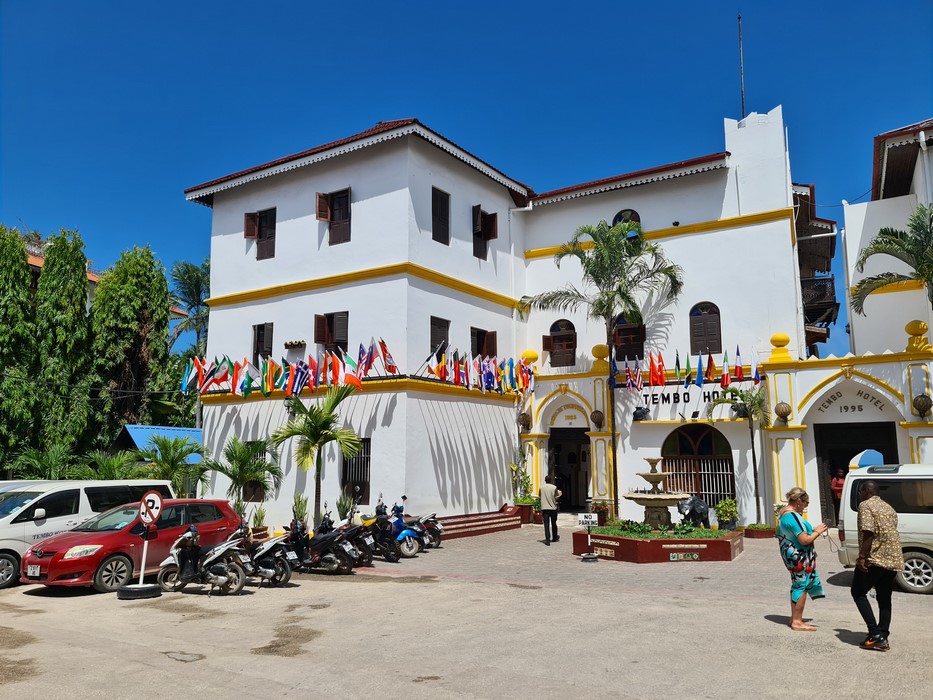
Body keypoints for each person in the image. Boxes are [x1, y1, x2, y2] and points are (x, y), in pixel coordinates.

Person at [851, 480, 903, 652]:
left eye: (860, 492)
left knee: (858, 592)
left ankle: (875, 634)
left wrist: (862, 557)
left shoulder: (866, 506)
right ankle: (883, 634)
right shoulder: (888, 507)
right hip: (893, 558)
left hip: (876, 559)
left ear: (866, 491)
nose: (860, 496)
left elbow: (868, 532)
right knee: (884, 597)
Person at [777, 487, 828, 631]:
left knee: (797, 584)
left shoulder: (784, 513)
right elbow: (804, 539)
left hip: (792, 555)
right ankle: (797, 622)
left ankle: (794, 618)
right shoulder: (792, 517)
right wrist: (818, 531)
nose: (806, 505)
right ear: (798, 501)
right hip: (798, 557)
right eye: (806, 502)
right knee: (801, 586)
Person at [539, 474, 561, 546]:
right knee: (554, 523)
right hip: (553, 508)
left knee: (546, 525)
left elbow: (540, 496)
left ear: (545, 481)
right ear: (551, 480)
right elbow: (556, 497)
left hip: (545, 508)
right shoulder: (554, 487)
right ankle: (555, 537)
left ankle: (547, 540)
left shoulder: (541, 488)